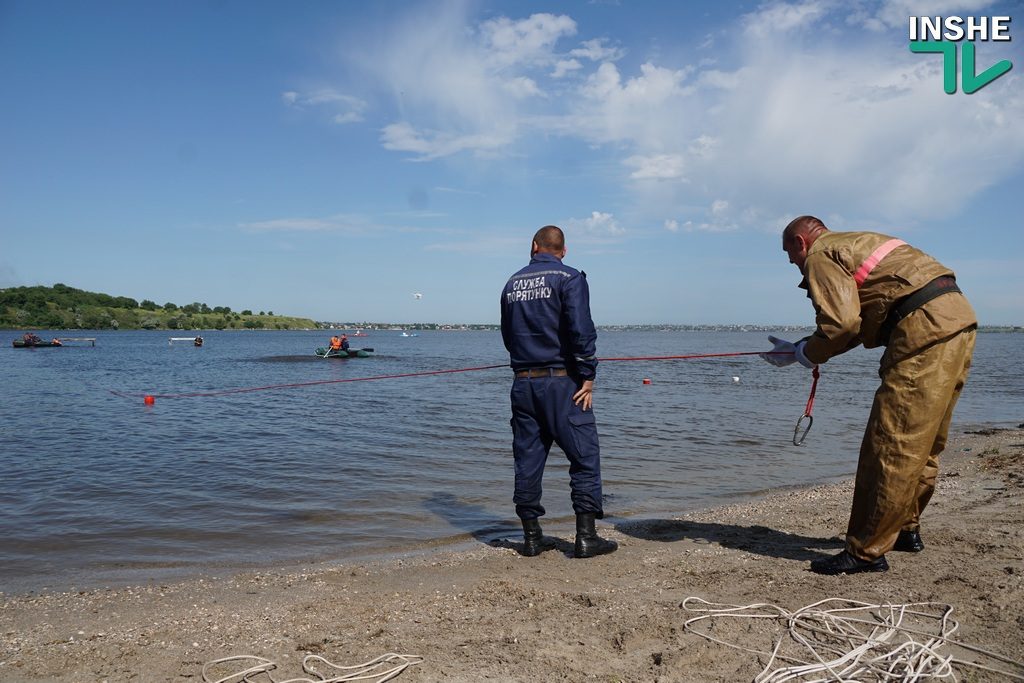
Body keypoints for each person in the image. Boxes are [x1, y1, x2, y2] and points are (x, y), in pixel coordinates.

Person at [762, 215, 976, 575]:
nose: (792, 263)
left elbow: (841, 324)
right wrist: (801, 348)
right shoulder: (858, 242)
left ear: (801, 242)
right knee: (925, 439)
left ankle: (866, 551)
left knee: (892, 442)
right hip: (957, 319)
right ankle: (905, 528)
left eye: (790, 255)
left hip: (921, 327)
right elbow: (858, 324)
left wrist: (805, 355)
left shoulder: (820, 254)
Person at [500, 225, 617, 559]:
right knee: (584, 457)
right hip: (563, 383)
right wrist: (588, 376)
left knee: (527, 459)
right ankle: (586, 537)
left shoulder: (511, 283)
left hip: (522, 382)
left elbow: (508, 335)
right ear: (563, 251)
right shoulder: (570, 278)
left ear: (534, 246)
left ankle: (532, 538)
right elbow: (581, 329)